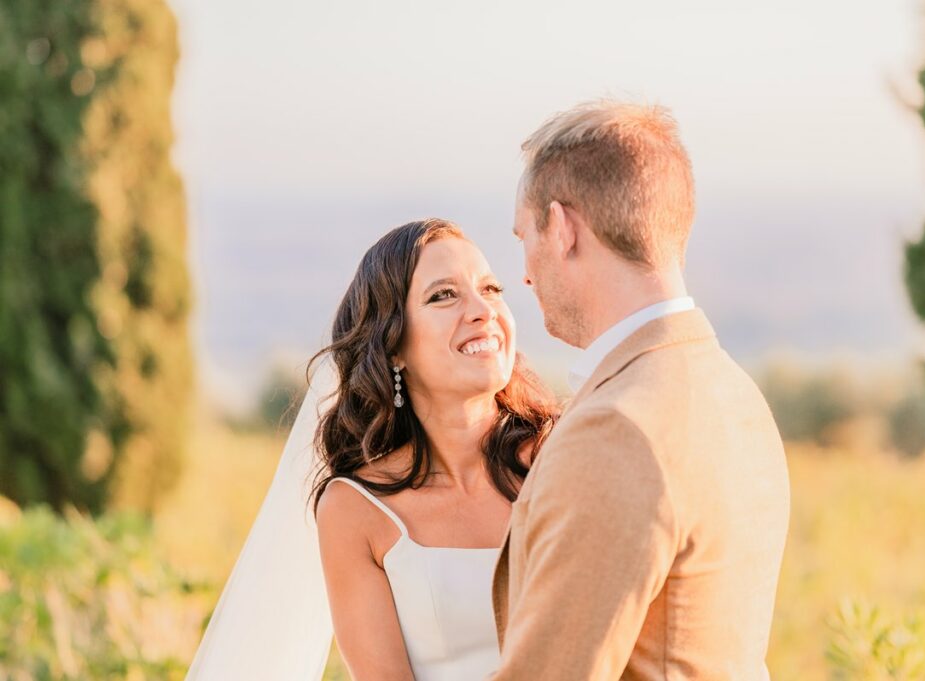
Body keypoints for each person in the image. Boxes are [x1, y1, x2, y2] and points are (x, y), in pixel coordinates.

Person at [489, 100, 791, 680]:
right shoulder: (735, 393)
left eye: (524, 235)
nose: (523, 274)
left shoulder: (617, 430)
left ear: (563, 228)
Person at [183, 218, 556, 681]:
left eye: (491, 288)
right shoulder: (355, 510)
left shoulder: (562, 460)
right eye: (444, 295)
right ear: (394, 345)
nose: (483, 310)